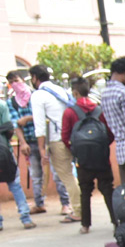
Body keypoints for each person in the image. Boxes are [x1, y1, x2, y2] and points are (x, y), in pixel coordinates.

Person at [8, 69, 67, 214]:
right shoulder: (13, 102)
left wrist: (28, 119)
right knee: (36, 176)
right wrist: (22, 143)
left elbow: (45, 116)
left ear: (24, 80)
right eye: (11, 83)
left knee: (57, 172)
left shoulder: (36, 96)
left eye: (16, 80)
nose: (14, 84)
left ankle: (66, 203)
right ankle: (39, 203)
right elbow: (16, 124)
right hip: (30, 142)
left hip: (47, 140)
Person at [60, 76, 114, 233]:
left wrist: (77, 151)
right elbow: (109, 133)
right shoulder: (99, 110)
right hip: (102, 158)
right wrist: (102, 148)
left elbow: (65, 136)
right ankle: (116, 222)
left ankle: (85, 224)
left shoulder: (70, 112)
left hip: (83, 159)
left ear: (75, 92)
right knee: (107, 189)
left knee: (85, 190)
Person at [29, 64, 80, 222]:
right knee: (72, 174)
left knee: (67, 176)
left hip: (57, 139)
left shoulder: (38, 95)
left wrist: (41, 149)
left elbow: (40, 126)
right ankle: (80, 208)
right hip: (71, 136)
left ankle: (78, 210)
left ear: (35, 78)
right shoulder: (60, 90)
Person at [0, 99, 35, 230]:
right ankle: (25, 218)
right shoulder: (2, 105)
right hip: (4, 151)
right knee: (14, 184)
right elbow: (9, 129)